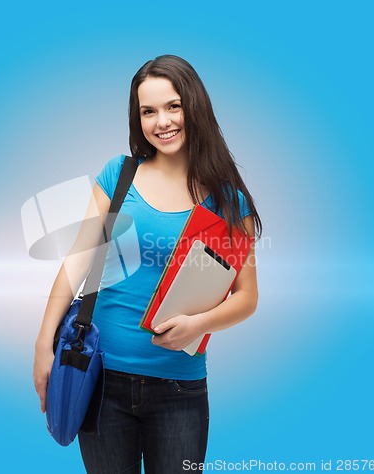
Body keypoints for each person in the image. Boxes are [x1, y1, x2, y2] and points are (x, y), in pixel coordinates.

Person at [33, 54, 262, 473]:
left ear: (194, 106)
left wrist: (198, 324)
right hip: (99, 379)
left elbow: (247, 298)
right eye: (148, 111)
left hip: (181, 388)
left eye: (173, 105)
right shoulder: (120, 175)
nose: (162, 121)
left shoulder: (230, 202)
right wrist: (42, 346)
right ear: (136, 118)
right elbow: (76, 263)